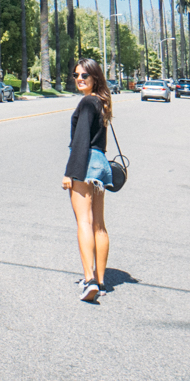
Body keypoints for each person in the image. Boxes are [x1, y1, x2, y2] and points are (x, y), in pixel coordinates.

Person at [61, 57, 113, 302]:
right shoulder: (102, 102)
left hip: (85, 162)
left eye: (84, 75)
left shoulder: (86, 102)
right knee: (99, 225)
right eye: (76, 75)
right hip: (101, 164)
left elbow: (81, 139)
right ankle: (101, 282)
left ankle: (89, 279)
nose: (79, 79)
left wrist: (70, 173)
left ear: (95, 78)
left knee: (84, 221)